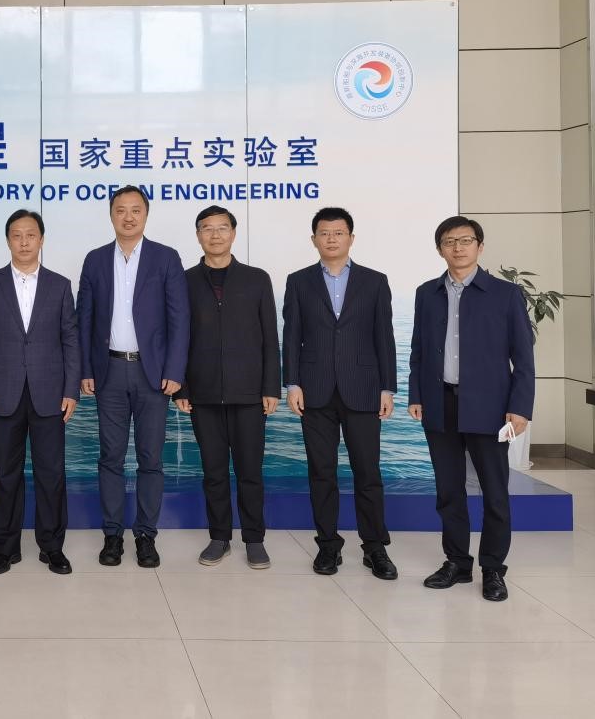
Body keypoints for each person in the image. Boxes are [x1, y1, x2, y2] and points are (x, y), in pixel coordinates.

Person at [409, 215, 534, 602]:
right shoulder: (427, 293)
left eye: (465, 240)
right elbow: (418, 351)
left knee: (494, 492)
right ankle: (457, 563)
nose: (458, 247)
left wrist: (520, 408)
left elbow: (523, 358)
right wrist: (416, 395)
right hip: (440, 403)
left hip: (490, 407)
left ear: (480, 246)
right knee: (448, 490)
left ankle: (493, 569)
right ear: (440, 249)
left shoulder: (505, 294)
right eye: (449, 241)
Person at [283, 206, 399, 579]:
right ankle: (328, 546)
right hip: (314, 390)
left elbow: (384, 336)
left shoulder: (375, 281)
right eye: (324, 233)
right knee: (322, 472)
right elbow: (292, 336)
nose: (331, 239)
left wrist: (387, 387)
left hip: (363, 389)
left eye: (338, 232)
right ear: (314, 239)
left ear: (351, 237)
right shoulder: (298, 281)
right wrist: (292, 383)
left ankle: (375, 547)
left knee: (368, 472)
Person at [77, 185, 189, 568]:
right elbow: (84, 319)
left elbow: (180, 319)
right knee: (110, 456)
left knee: (150, 458)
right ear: (111, 215)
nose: (128, 216)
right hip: (108, 371)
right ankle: (112, 535)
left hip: (152, 374)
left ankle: (145, 535)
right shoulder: (95, 260)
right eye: (121, 210)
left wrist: (175, 371)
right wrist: (85, 369)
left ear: (146, 214)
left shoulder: (166, 258)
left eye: (135, 209)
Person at [0, 210, 80, 576]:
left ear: (41, 240)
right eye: (17, 235)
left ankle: (52, 547)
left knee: (52, 474)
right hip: (4, 392)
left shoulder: (60, 285)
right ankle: (6, 549)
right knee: (7, 474)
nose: (23, 241)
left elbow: (70, 341)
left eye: (30, 235)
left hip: (50, 393)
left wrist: (71, 389)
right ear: (8, 240)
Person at [173, 206, 280, 569]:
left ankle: (254, 539)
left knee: (250, 472)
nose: (215, 235)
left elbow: (270, 338)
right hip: (202, 394)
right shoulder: (184, 281)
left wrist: (270, 387)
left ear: (233, 233)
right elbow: (178, 338)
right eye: (207, 228)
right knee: (214, 472)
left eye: (222, 228)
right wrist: (182, 388)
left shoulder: (256, 279)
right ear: (198, 235)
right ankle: (219, 537)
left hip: (249, 393)